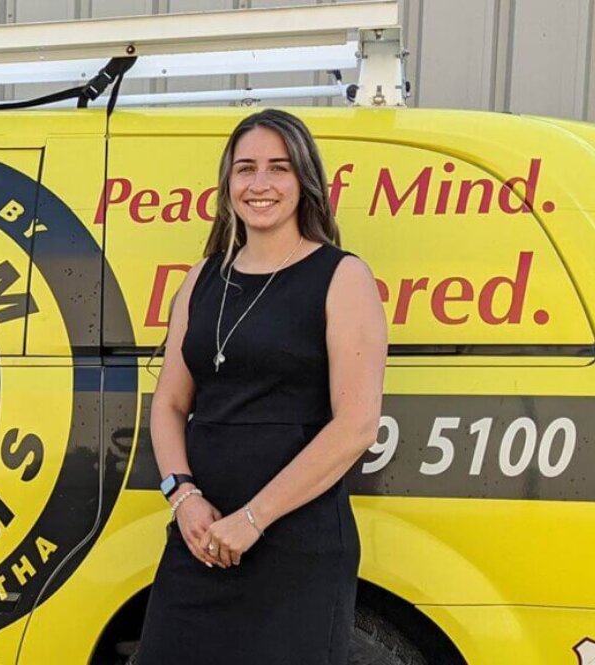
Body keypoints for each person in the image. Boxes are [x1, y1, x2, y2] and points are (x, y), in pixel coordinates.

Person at [135, 108, 388, 665]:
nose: (260, 184)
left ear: (305, 182)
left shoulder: (342, 277)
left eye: (279, 168)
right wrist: (183, 497)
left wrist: (252, 520)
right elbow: (171, 404)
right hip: (199, 541)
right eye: (245, 168)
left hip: (294, 549)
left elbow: (356, 426)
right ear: (227, 185)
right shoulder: (202, 277)